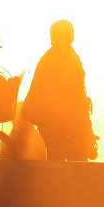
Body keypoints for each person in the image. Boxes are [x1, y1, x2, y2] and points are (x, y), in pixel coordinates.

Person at [22, 19, 96, 161]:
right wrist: (88, 132)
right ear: (72, 37)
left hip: (55, 123)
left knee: (58, 163)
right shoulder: (62, 60)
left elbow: (78, 98)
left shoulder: (56, 58)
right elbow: (77, 99)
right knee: (76, 166)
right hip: (59, 123)